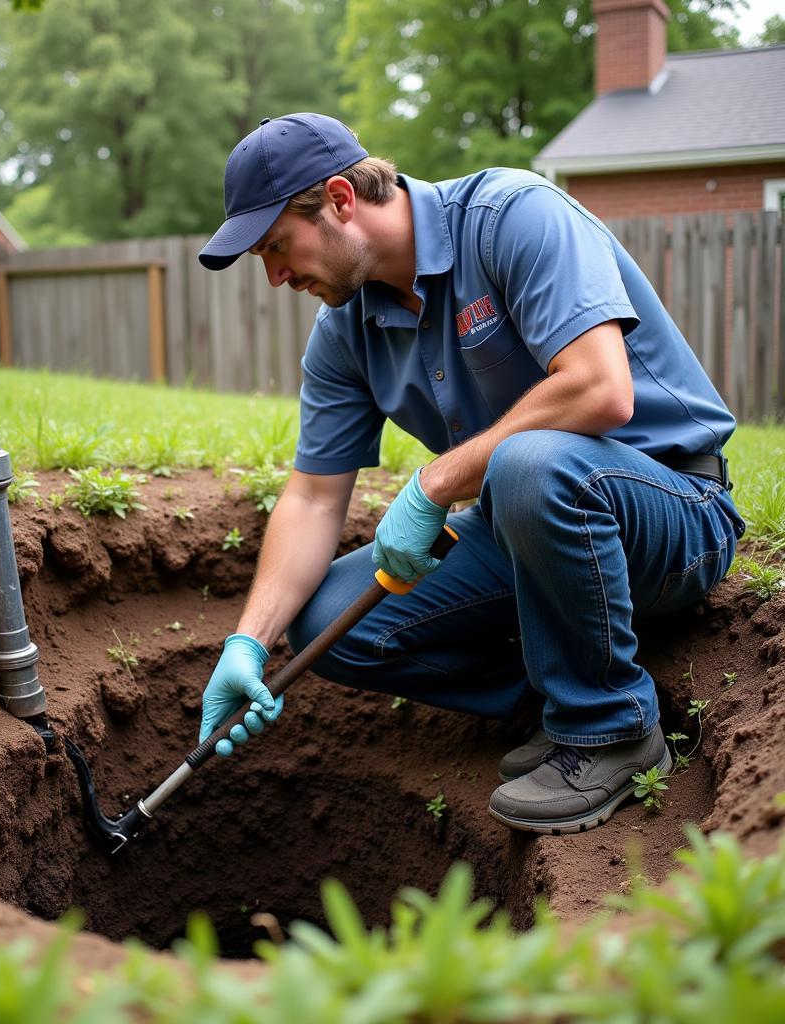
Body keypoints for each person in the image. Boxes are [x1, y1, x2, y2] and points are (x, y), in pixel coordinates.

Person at [194, 112, 745, 835]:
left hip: (671, 511)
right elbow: (312, 497)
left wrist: (432, 484)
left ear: (338, 199)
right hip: (531, 524)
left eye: (276, 247)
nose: (275, 277)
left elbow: (599, 389)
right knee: (330, 623)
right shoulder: (345, 332)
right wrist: (248, 641)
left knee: (528, 462)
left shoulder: (512, 216)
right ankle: (559, 689)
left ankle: (610, 725)